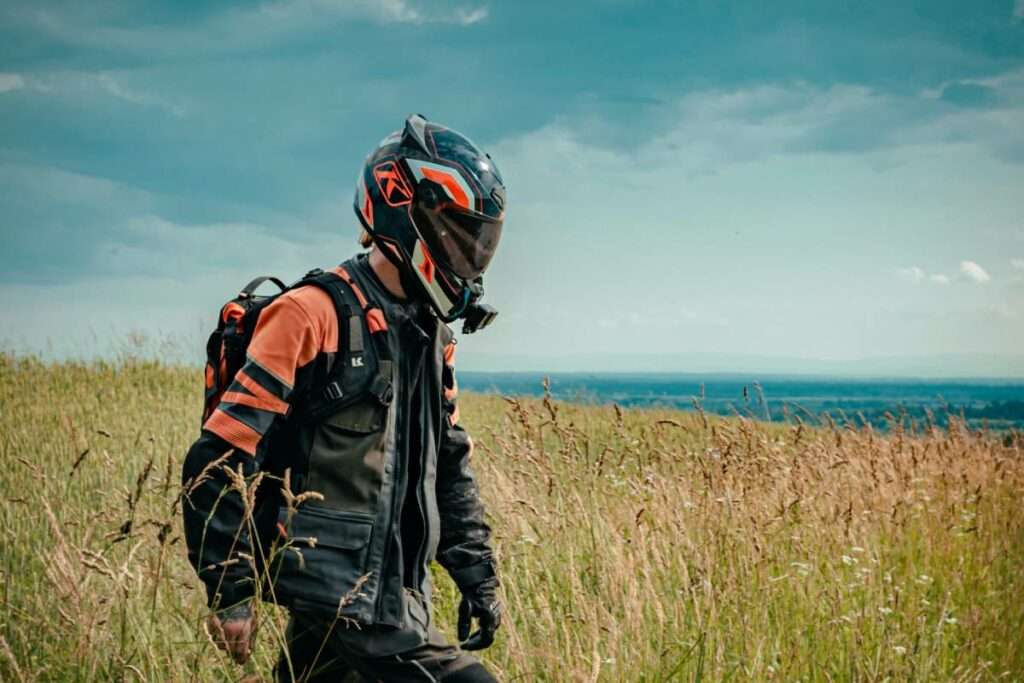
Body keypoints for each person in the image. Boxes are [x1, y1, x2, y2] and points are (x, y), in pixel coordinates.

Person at [181, 114, 507, 682]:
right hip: (349, 602)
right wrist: (231, 591)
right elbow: (219, 458)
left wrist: (477, 574)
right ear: (406, 212)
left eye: (478, 243)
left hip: (392, 596)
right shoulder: (311, 314)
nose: (468, 259)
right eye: (457, 233)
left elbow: (449, 464)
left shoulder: (434, 339)